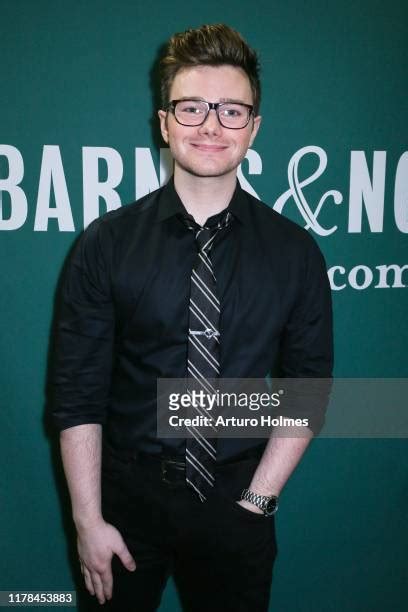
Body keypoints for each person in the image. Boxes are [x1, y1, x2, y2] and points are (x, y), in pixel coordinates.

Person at [52, 23, 333, 612]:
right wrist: (88, 522)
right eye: (192, 107)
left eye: (232, 110)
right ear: (164, 122)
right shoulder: (104, 245)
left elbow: (307, 390)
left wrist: (259, 500)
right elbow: (77, 395)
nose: (210, 125)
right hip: (124, 502)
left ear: (254, 127)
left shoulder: (295, 252)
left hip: (238, 496)